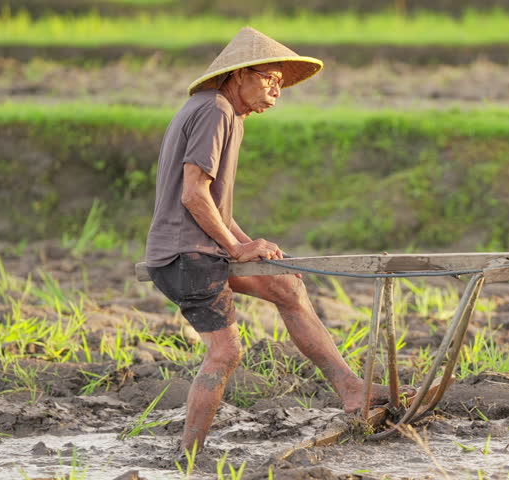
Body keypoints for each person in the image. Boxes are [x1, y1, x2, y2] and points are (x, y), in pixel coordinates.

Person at [145, 27, 401, 457]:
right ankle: (188, 457)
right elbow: (192, 194)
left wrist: (249, 243)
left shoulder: (222, 111)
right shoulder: (216, 110)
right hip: (187, 256)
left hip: (202, 248)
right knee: (225, 353)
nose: (276, 88)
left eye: (281, 82)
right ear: (239, 74)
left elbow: (213, 205)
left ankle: (352, 389)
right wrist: (237, 249)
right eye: (269, 78)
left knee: (287, 285)